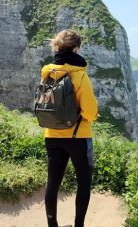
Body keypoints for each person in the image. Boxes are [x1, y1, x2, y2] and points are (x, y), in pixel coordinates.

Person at [41, 30, 98, 227]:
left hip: (51, 135)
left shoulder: (48, 71)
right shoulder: (79, 74)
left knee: (53, 183)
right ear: (76, 49)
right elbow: (90, 111)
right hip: (78, 136)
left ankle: (52, 224)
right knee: (83, 182)